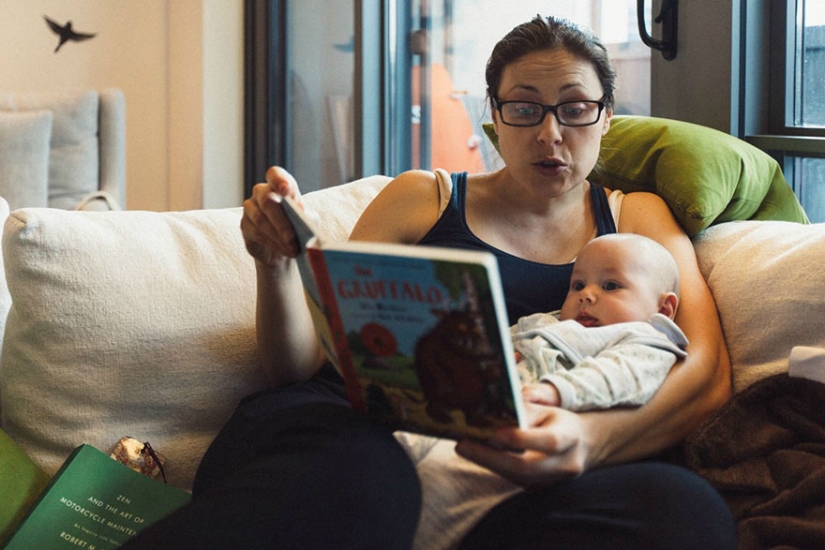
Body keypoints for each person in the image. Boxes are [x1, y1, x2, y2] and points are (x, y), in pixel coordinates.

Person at [124, 15, 736, 550]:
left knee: (683, 510)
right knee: (372, 482)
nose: (550, 134)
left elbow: (705, 370)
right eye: (523, 108)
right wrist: (275, 264)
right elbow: (297, 365)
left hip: (502, 467)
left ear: (605, 116)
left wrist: (591, 438)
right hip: (346, 430)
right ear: (494, 118)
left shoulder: (635, 215)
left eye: (575, 109)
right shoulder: (425, 197)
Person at [514, 232, 688, 412]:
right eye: (578, 285)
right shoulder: (548, 322)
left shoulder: (648, 344)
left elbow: (617, 377)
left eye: (611, 286)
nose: (585, 295)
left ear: (663, 309)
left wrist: (554, 392)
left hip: (540, 412)